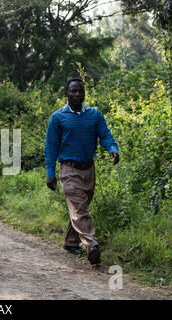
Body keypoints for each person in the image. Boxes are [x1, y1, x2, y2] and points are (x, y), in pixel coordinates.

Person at [44, 77, 119, 265]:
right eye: (73, 91)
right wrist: (50, 173)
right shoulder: (58, 117)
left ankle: (70, 242)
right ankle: (92, 245)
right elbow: (51, 146)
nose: (77, 94)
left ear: (84, 93)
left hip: (88, 170)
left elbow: (105, 135)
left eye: (80, 91)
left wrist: (112, 149)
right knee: (79, 208)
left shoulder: (94, 115)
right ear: (66, 94)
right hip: (69, 169)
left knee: (80, 208)